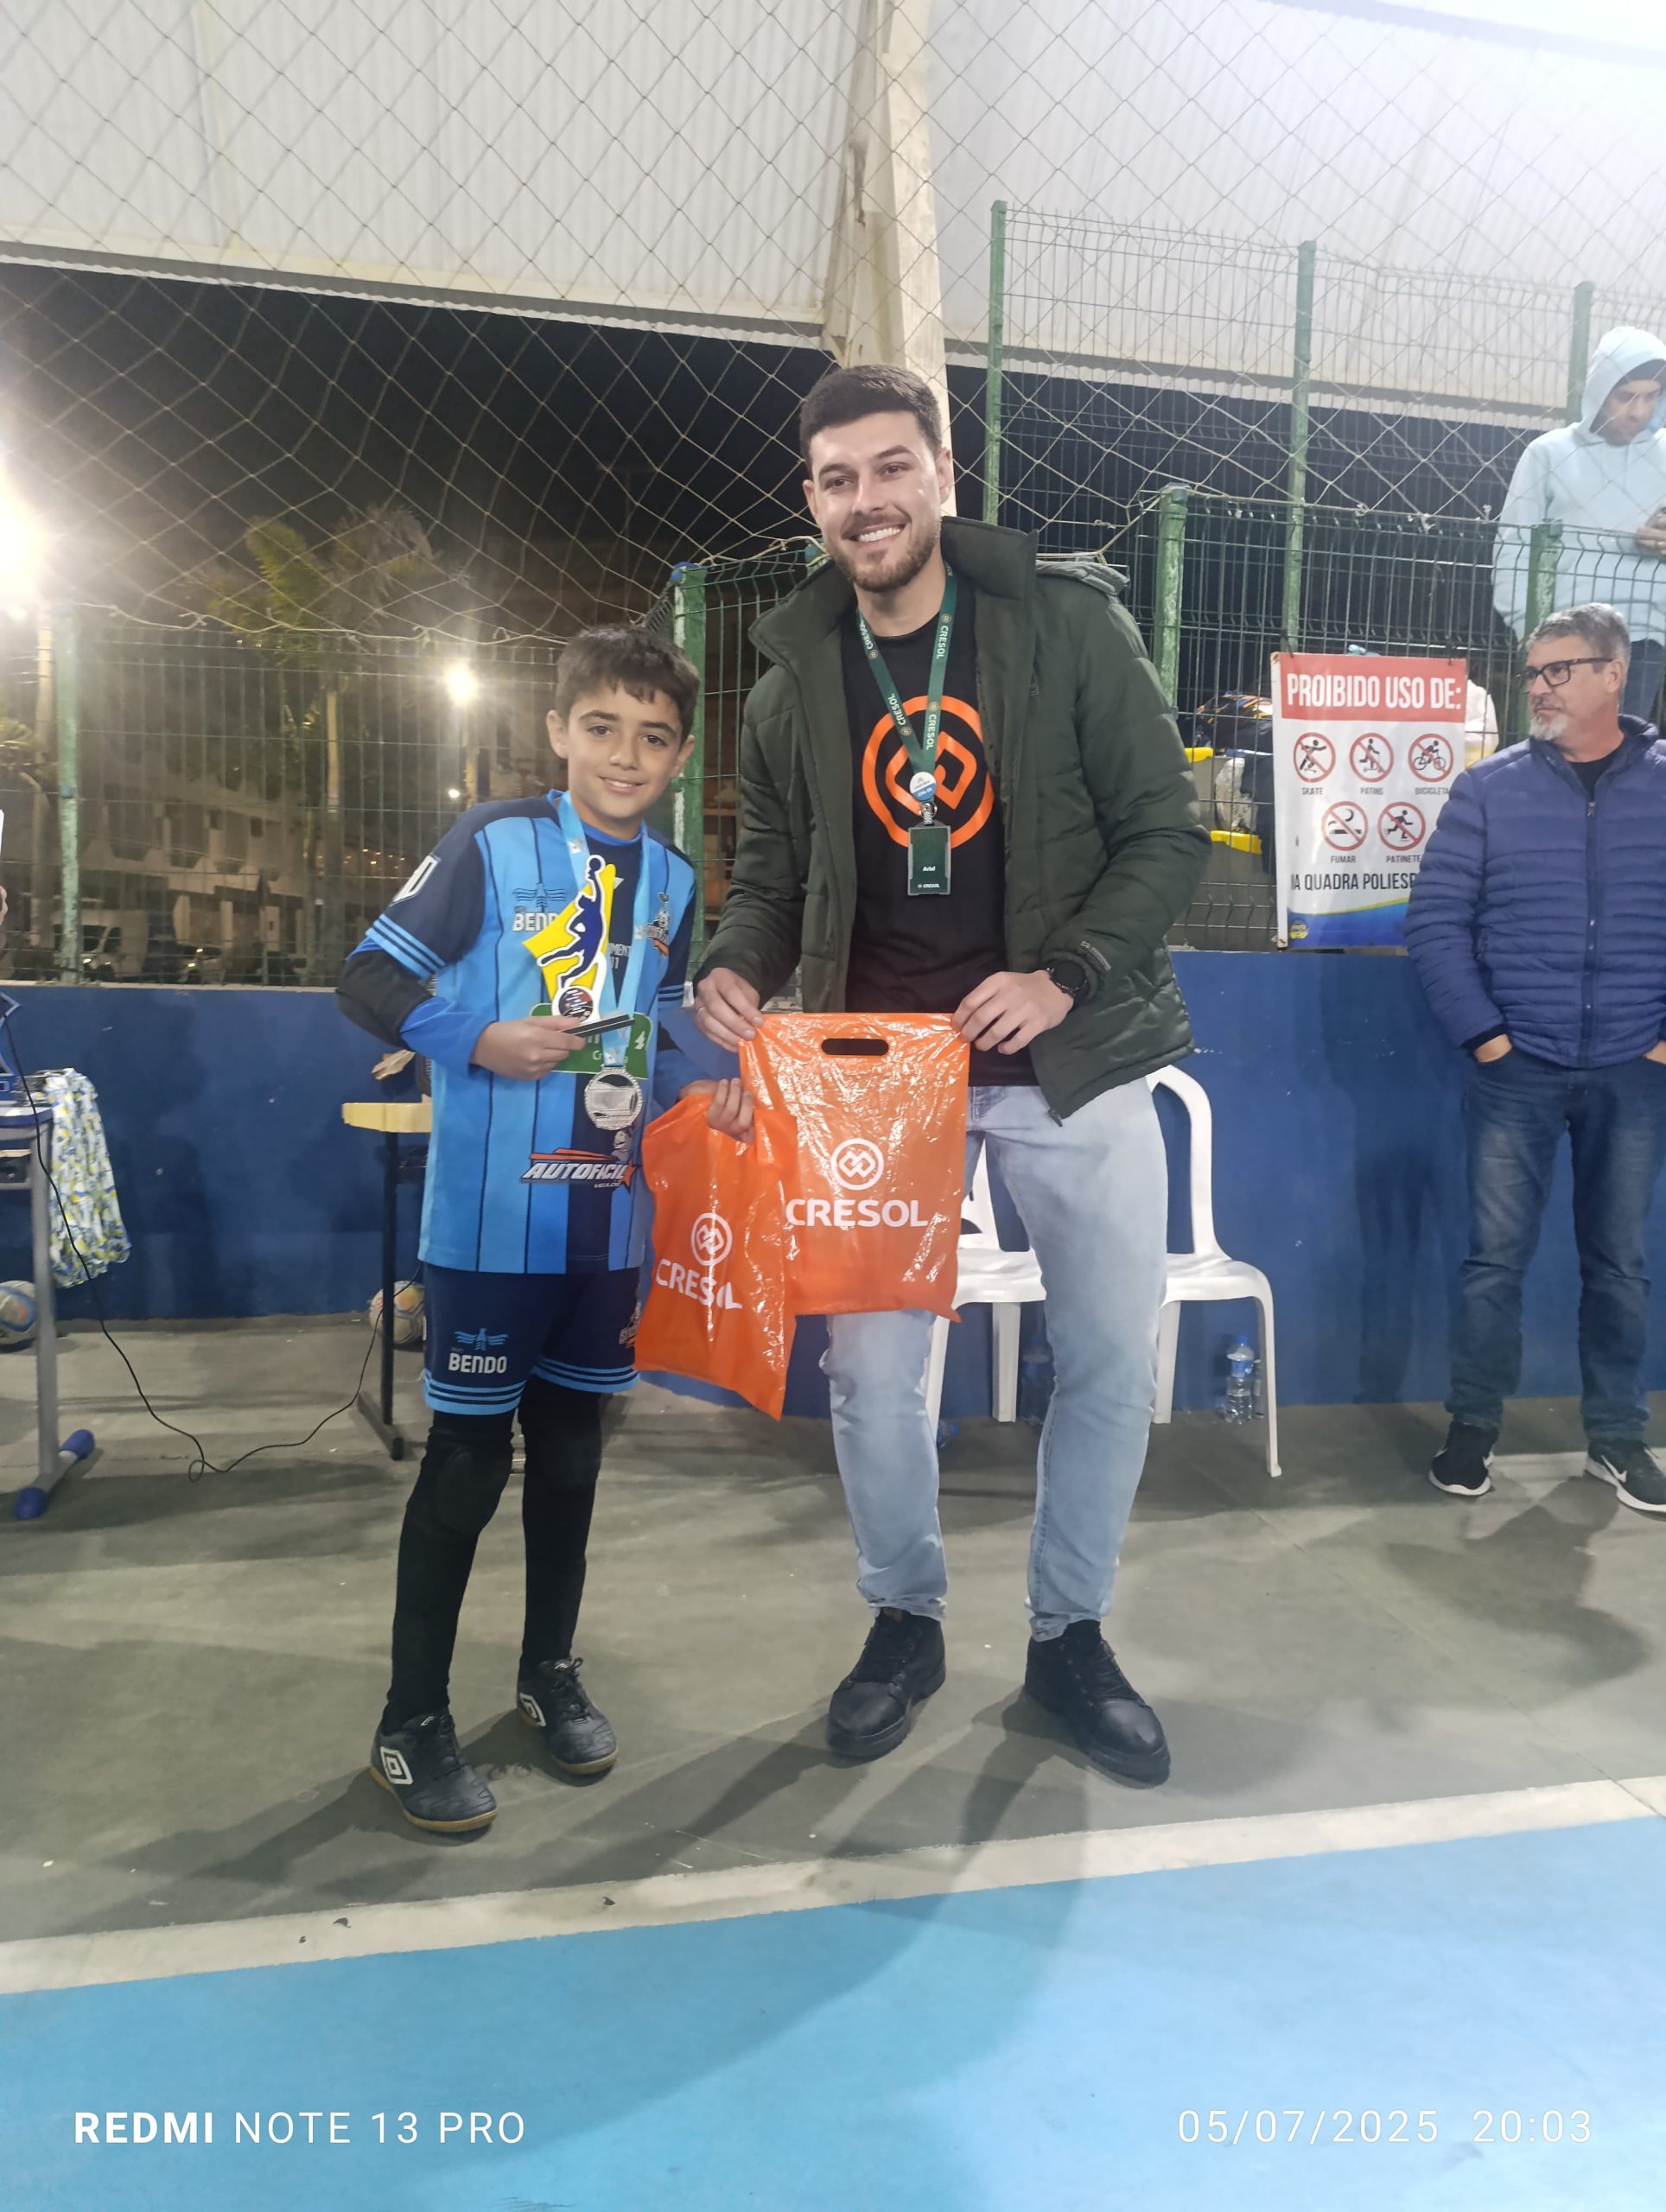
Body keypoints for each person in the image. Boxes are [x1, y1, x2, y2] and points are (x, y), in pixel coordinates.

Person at [693, 362, 1207, 1784]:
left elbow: (1164, 832)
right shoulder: (790, 677)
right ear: (812, 502)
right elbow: (770, 879)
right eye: (835, 479)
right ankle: (902, 1622)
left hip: (1070, 1053)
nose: (865, 500)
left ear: (942, 475)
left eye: (889, 467)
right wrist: (734, 966)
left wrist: (1066, 975)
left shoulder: (1065, 624)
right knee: (873, 1378)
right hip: (879, 1074)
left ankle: (1069, 1637)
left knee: (1108, 1362)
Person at [337, 627, 700, 1831]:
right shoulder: (490, 843)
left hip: (608, 1231)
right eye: (601, 728)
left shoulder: (677, 882)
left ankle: (548, 1673)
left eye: (653, 736)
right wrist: (478, 1039)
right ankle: (410, 1722)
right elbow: (367, 980)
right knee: (467, 1463)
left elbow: (665, 1031)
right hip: (492, 1226)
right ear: (557, 731)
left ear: (680, 757)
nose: (625, 755)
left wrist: (716, 1088)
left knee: (575, 1456)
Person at [1405, 602, 1666, 1514]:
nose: (1539, 688)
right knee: (1493, 1264)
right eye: (1533, 672)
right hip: (1515, 1069)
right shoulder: (1489, 789)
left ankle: (1616, 1439)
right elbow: (1435, 921)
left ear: (1613, 674)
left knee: (1619, 1266)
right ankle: (1471, 1433)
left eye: (1560, 670)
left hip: (1634, 1068)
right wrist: (1485, 1034)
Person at [1493, 328, 1666, 724]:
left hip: (1643, 637)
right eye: (1626, 396)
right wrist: (1529, 633)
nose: (1639, 410)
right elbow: (1513, 547)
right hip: (1564, 635)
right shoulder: (1549, 454)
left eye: (1651, 396)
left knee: (1619, 750)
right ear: (1600, 390)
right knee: (1555, 748)